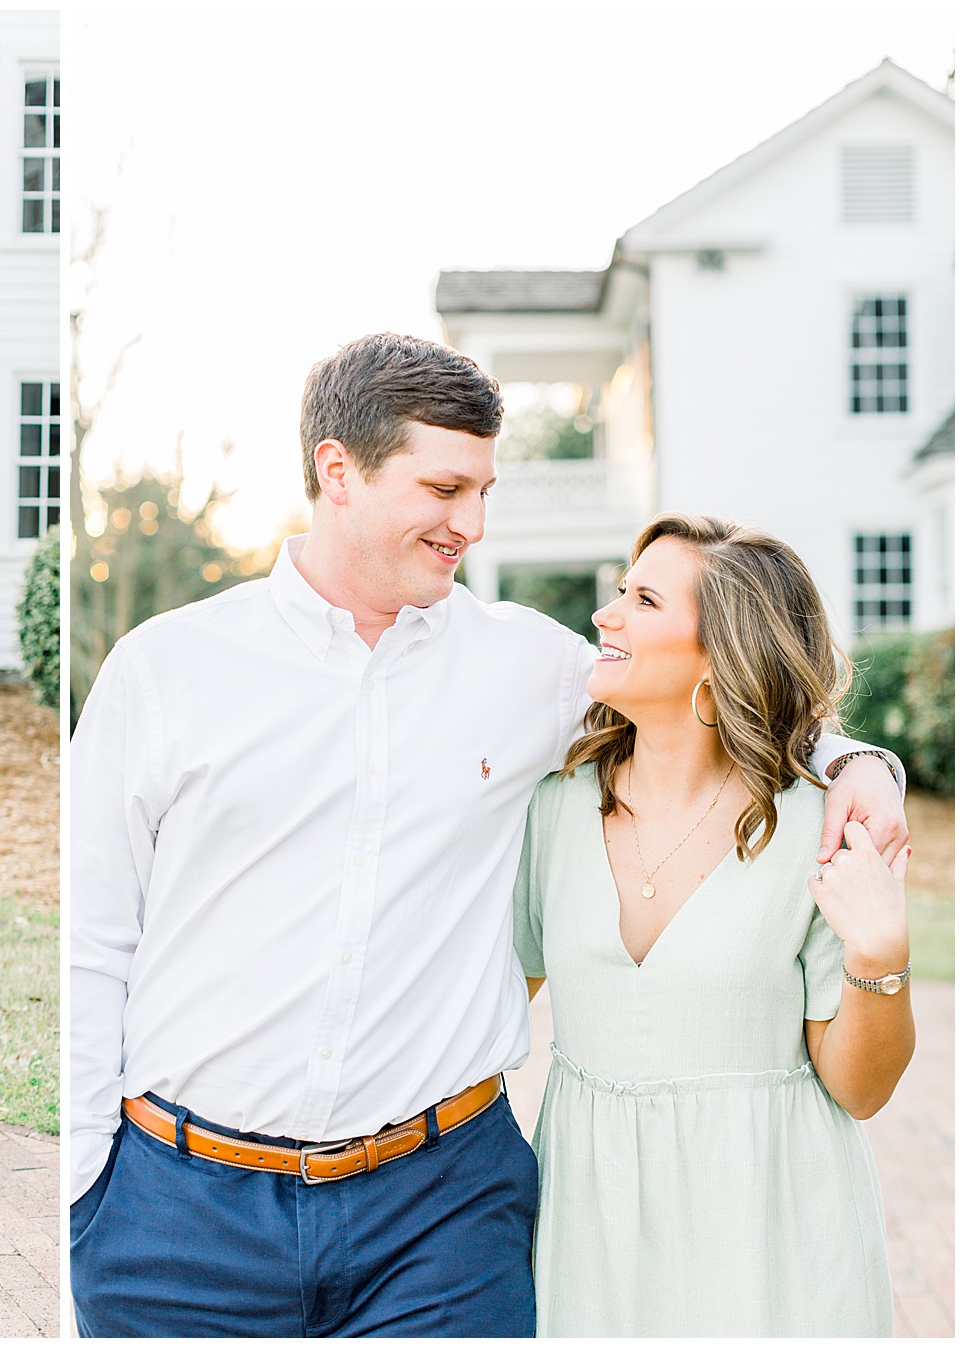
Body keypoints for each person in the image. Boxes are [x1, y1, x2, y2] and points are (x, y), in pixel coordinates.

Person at [67, 333, 909, 1337]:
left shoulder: (529, 667)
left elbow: (730, 692)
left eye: (485, 491)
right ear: (338, 469)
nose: (470, 522)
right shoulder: (166, 671)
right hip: (181, 1210)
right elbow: (91, 939)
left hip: (441, 1219)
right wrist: (85, 1187)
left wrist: (863, 766)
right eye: (445, 488)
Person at [514, 514, 910, 1336]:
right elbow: (490, 998)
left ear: (719, 657)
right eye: (621, 591)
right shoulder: (550, 808)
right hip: (591, 1228)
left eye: (644, 600)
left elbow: (859, 1089)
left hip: (775, 1231)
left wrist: (881, 955)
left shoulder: (821, 827)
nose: (605, 615)